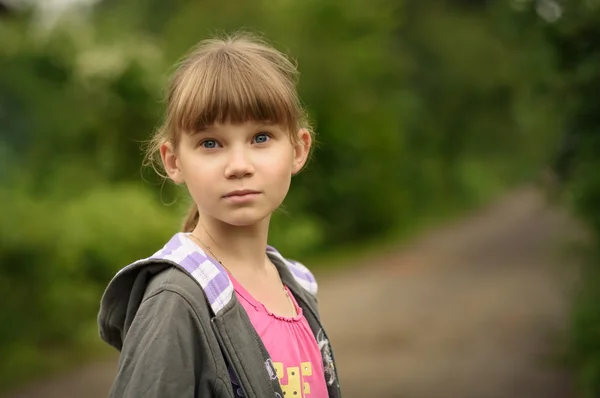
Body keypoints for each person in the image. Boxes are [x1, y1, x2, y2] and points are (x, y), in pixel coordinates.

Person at [97, 31, 342, 398]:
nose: (239, 166)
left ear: (298, 149)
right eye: (210, 143)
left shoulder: (297, 287)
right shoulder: (174, 301)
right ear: (174, 161)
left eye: (261, 137)